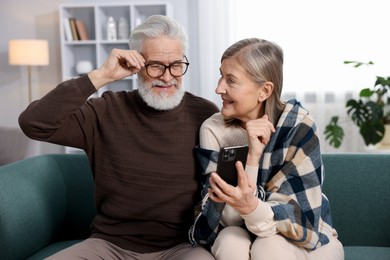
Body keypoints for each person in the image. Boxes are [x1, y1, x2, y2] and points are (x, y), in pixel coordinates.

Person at [19, 15, 219, 259]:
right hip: (109, 245)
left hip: (182, 247)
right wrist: (102, 75)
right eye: (155, 65)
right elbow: (34, 124)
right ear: (135, 64)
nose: (167, 77)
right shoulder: (105, 110)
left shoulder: (205, 113)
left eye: (176, 65)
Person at [188, 38, 344, 260]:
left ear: (264, 91)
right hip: (242, 229)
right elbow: (228, 218)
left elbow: (303, 223)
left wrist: (250, 204)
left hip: (304, 238)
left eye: (231, 80)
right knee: (231, 239)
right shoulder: (214, 129)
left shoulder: (298, 127)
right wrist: (252, 157)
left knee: (268, 246)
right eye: (221, 75)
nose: (218, 88)